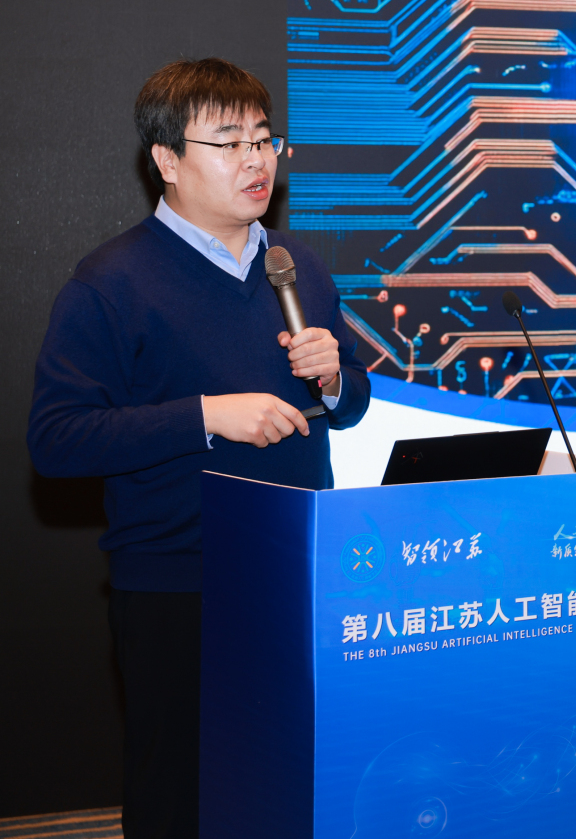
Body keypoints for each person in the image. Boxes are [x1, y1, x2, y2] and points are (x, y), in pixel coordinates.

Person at [27, 58, 370, 839]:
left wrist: (335, 382)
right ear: (168, 160)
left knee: (288, 785)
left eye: (264, 139)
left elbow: (351, 401)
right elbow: (57, 439)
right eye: (229, 141)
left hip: (299, 572)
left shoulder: (296, 267)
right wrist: (207, 416)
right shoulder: (111, 283)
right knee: (181, 795)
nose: (256, 159)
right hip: (180, 584)